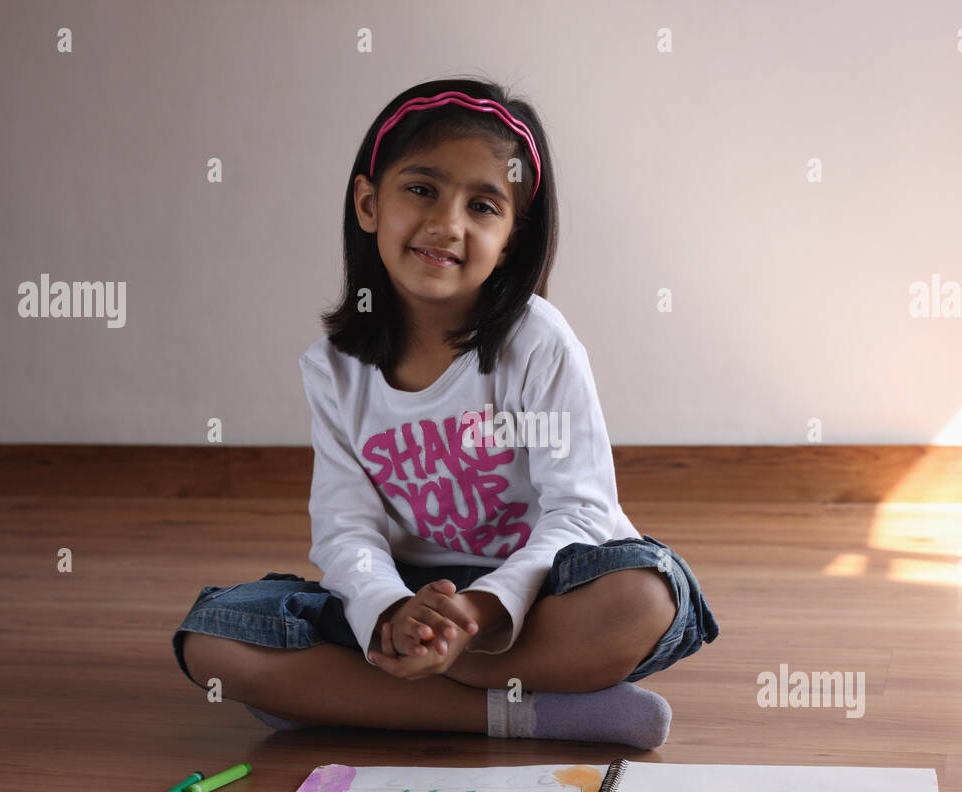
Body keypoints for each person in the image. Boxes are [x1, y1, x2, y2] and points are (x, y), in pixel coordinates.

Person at [172, 77, 719, 750]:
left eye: (484, 205)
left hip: (538, 600)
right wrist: (392, 612)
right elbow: (346, 529)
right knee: (212, 642)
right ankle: (534, 712)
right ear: (369, 204)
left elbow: (581, 513)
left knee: (643, 597)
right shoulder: (334, 368)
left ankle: (359, 696)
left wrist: (476, 612)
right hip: (407, 602)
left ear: (511, 238)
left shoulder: (538, 342)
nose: (447, 224)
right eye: (422, 189)